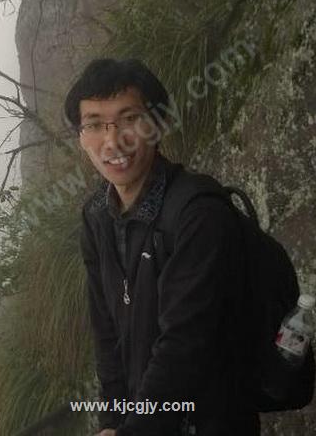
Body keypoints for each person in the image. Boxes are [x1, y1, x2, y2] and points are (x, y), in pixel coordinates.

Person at [64, 58, 260, 436]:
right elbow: (107, 338)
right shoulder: (96, 217)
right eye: (94, 124)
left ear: (159, 123)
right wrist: (112, 422)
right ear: (81, 137)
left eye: (129, 119)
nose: (112, 141)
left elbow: (186, 343)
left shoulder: (198, 213)